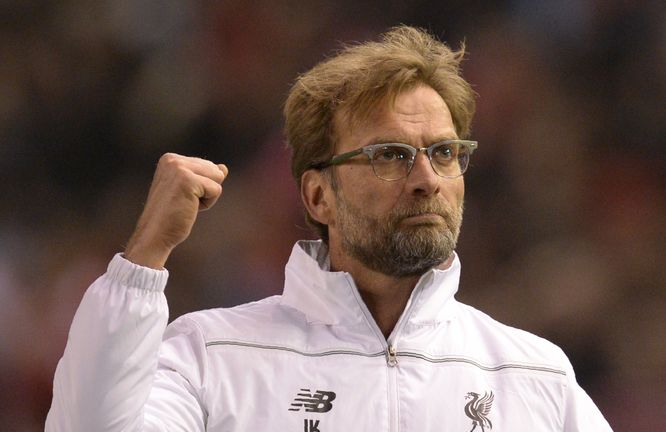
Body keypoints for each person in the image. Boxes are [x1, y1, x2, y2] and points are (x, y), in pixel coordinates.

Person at [46, 26, 612, 431]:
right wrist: (144, 260)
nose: (426, 179)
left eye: (443, 152)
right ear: (319, 195)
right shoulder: (213, 355)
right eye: (389, 155)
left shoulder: (532, 375)